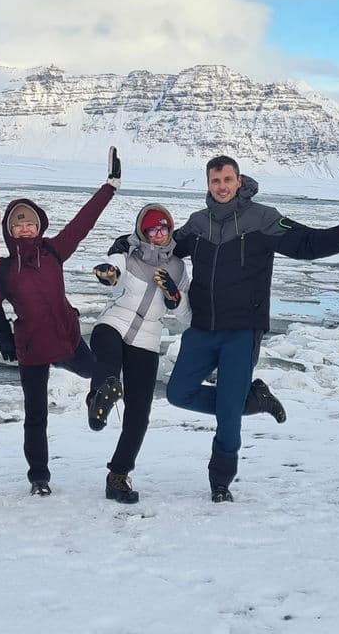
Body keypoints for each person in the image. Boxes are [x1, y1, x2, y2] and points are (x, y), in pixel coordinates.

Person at [167, 155, 339, 503]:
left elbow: (305, 243)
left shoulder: (263, 218)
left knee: (228, 416)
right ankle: (254, 399)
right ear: (208, 184)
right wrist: (129, 242)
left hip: (242, 330)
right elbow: (165, 245)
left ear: (239, 181)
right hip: (202, 327)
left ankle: (220, 482)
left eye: (228, 180)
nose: (222, 187)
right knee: (177, 393)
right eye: (216, 181)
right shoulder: (198, 223)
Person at [0, 147, 121, 497]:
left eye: (30, 221)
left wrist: (109, 187)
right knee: (36, 417)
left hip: (66, 339)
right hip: (31, 348)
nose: (25, 226)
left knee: (105, 374)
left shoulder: (53, 251)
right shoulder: (3, 268)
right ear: (10, 230)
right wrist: (3, 335)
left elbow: (82, 223)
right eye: (18, 222)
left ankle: (95, 405)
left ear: (39, 224)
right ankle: (39, 477)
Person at [87, 204, 191, 504]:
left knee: (139, 413)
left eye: (163, 228)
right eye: (152, 229)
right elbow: (112, 272)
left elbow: (186, 316)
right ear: (142, 232)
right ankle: (98, 399)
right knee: (107, 356)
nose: (158, 234)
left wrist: (174, 295)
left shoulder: (179, 268)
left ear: (170, 230)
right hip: (114, 322)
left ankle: (117, 476)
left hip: (147, 340)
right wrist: (107, 274)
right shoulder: (128, 253)